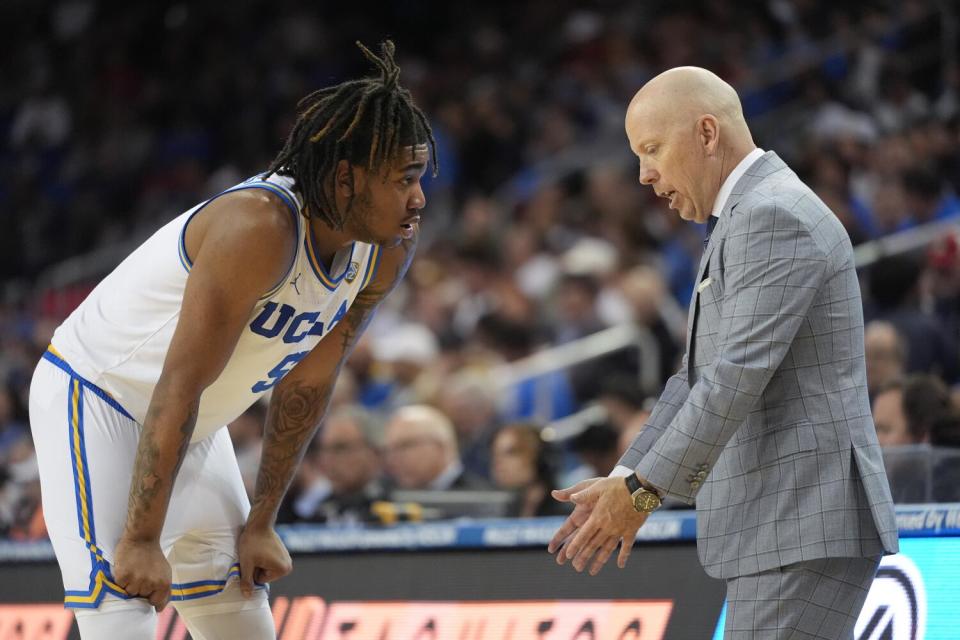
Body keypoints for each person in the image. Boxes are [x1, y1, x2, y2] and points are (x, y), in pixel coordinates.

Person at [28, 40, 435, 639]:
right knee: (122, 609)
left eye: (420, 177)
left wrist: (261, 520)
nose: (419, 199)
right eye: (404, 179)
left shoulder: (385, 250)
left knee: (239, 610)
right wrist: (140, 537)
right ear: (346, 178)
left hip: (191, 422)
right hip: (99, 398)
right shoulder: (258, 225)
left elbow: (309, 380)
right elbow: (179, 382)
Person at [547, 67, 898, 639]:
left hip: (802, 516)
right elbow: (695, 377)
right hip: (784, 522)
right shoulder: (744, 217)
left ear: (707, 134)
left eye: (653, 149)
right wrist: (624, 475)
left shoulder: (771, 215)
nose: (644, 175)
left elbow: (735, 375)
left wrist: (640, 492)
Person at [383, 405, 489, 491]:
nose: (393, 459)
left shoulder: (481, 499)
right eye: (390, 450)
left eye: (405, 446)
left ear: (440, 446)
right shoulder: (386, 496)